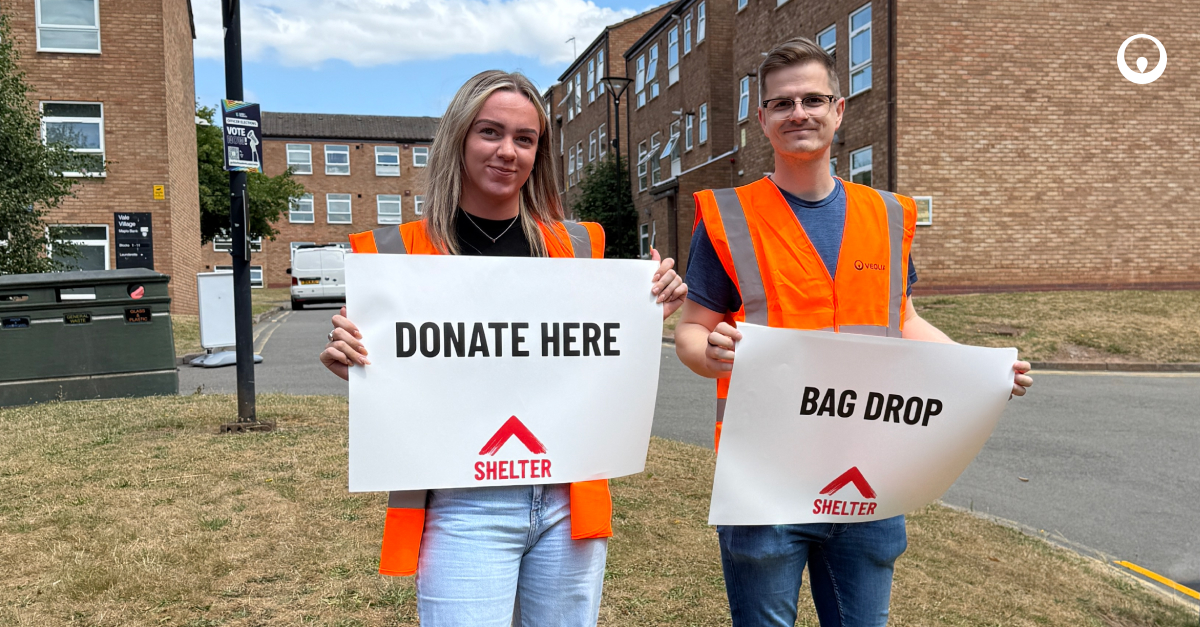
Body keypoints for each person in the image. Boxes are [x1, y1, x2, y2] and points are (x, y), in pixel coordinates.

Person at [674, 38, 1033, 627]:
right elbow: (693, 330)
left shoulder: (887, 215)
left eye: (813, 99)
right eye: (782, 103)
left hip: (868, 470)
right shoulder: (728, 214)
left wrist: (979, 370)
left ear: (839, 111)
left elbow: (905, 320)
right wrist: (708, 352)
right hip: (766, 476)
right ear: (761, 118)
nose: (799, 113)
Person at [318, 70, 688, 627]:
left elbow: (594, 362)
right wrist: (357, 363)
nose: (507, 151)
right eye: (491, 132)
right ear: (460, 137)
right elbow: (406, 371)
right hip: (462, 501)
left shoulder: (578, 248)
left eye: (525, 138)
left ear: (539, 152)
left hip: (567, 498)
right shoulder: (400, 255)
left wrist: (644, 312)